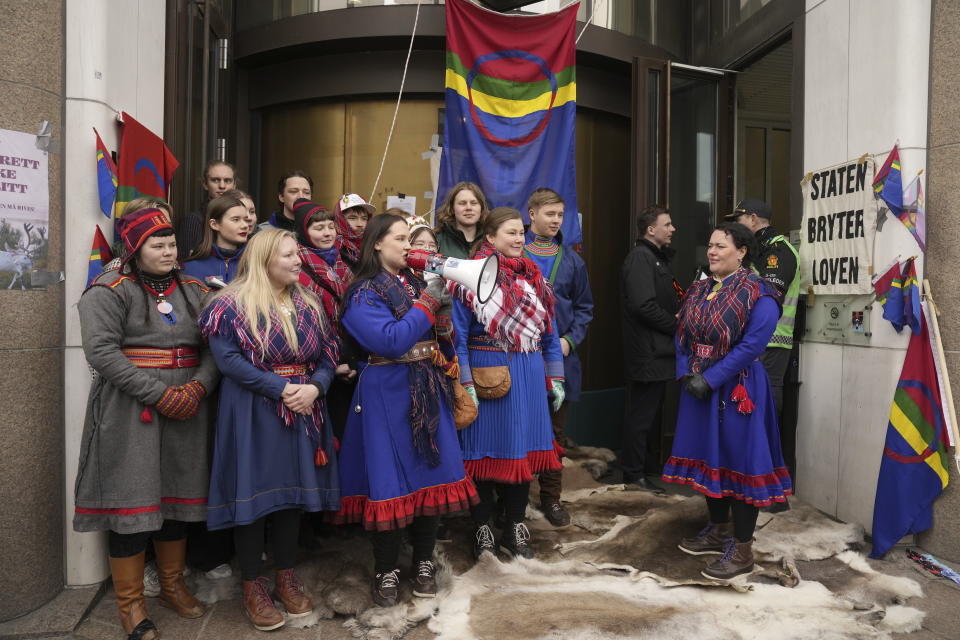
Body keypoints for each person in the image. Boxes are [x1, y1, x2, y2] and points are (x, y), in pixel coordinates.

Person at [74, 201, 218, 640]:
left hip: (188, 408)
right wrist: (161, 395)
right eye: (158, 243)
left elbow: (216, 347)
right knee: (131, 505)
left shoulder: (195, 289)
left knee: (177, 498)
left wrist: (196, 389)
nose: (169, 250)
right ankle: (131, 605)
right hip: (130, 411)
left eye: (172, 242)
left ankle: (172, 585)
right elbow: (101, 353)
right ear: (135, 246)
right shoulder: (108, 290)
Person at [198, 229, 341, 631]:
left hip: (304, 406)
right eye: (289, 256)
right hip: (254, 410)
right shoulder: (229, 304)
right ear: (264, 259)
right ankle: (252, 584)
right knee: (253, 497)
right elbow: (229, 362)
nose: (299, 261)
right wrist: (282, 389)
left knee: (291, 497)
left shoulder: (309, 303)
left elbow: (330, 354)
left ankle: (285, 575)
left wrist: (315, 387)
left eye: (298, 255)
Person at [335, 213, 477, 607]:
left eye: (409, 240)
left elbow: (436, 336)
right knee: (390, 484)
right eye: (400, 239)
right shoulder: (362, 293)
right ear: (377, 243)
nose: (409, 247)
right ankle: (385, 568)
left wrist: (443, 317)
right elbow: (391, 341)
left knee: (431, 476)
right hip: (387, 390)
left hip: (426, 385)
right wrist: (430, 301)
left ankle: (424, 562)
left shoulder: (414, 283)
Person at [662, 222, 792, 581]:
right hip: (697, 384)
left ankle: (743, 549)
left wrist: (713, 377)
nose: (712, 251)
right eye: (710, 245)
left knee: (741, 463)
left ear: (742, 252)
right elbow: (681, 333)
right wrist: (686, 370)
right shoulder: (700, 288)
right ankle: (718, 529)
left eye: (721, 246)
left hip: (738, 389)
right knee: (709, 458)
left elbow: (754, 345)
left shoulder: (760, 293)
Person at [451, 206, 564, 560]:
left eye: (521, 233)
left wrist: (556, 376)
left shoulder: (535, 278)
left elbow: (549, 332)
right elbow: (458, 339)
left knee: (523, 454)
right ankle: (482, 526)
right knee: (483, 455)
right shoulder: (467, 279)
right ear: (490, 238)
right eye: (511, 233)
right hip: (488, 376)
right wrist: (466, 382)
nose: (519, 239)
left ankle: (515, 525)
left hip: (529, 374)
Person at [522, 188, 593, 527]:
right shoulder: (513, 252)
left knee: (555, 435)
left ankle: (551, 499)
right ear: (531, 214)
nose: (555, 220)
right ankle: (514, 502)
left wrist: (569, 340)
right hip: (517, 359)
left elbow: (585, 309)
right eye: (549, 214)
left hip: (560, 362)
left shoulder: (573, 261)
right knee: (516, 431)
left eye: (560, 215)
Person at [726, 199, 799, 474]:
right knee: (748, 407)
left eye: (739, 220)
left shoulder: (777, 252)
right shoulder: (755, 252)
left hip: (772, 342)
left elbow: (766, 297)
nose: (734, 226)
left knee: (763, 408)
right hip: (751, 343)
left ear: (753, 219)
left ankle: (766, 473)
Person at [619, 205, 680, 493]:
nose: (672, 229)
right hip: (647, 354)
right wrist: (676, 325)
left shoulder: (655, 258)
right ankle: (632, 475)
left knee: (649, 416)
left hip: (657, 352)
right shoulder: (641, 258)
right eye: (667, 224)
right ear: (650, 229)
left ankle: (645, 469)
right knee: (640, 417)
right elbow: (644, 306)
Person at [291, 198, 357, 443]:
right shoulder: (296, 267)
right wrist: (331, 364)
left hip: (352, 357)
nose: (327, 232)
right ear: (303, 232)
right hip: (317, 364)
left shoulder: (348, 259)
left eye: (330, 226)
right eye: (318, 228)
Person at [182, 193, 251, 286]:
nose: (245, 226)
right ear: (214, 224)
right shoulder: (190, 268)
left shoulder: (254, 264)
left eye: (246, 220)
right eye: (236, 219)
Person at [177, 160, 237, 259]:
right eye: (215, 180)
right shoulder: (194, 220)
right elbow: (186, 263)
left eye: (227, 180)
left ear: (234, 185)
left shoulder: (242, 219)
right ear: (205, 184)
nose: (222, 186)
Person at [434, 182, 488, 258]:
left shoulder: (491, 239)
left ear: (481, 208)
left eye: (474, 203)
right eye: (462, 203)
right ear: (452, 209)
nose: (469, 208)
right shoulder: (437, 239)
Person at [332, 192, 376, 269]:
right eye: (352, 218)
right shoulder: (332, 245)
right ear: (340, 218)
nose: (360, 224)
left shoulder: (373, 243)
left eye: (364, 218)